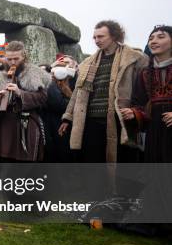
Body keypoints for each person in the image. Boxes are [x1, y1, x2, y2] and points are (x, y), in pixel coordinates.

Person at [60, 20, 148, 162]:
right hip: (91, 122)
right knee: (93, 164)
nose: (96, 40)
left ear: (114, 36)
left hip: (120, 120)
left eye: (101, 37)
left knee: (122, 164)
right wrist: (68, 117)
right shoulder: (87, 63)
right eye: (94, 37)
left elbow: (143, 90)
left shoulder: (134, 58)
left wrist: (136, 111)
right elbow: (77, 93)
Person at [0, 41, 50, 162]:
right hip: (6, 127)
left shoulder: (35, 73)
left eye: (16, 58)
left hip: (27, 126)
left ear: (24, 57)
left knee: (26, 168)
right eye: (9, 59)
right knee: (6, 167)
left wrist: (20, 93)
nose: (12, 62)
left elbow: (43, 98)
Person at [125, 25, 172, 162]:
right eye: (151, 38)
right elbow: (138, 103)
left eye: (161, 37)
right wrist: (134, 113)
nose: (153, 41)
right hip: (154, 131)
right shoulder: (145, 73)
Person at [44, 54, 78, 162]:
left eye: (68, 63)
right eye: (61, 64)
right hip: (55, 127)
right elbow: (59, 104)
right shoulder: (51, 84)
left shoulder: (75, 82)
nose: (64, 67)